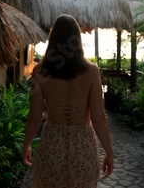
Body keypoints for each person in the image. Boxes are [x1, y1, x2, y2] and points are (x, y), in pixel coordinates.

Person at [22, 14, 114, 188]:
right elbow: (98, 118)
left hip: (52, 142)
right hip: (83, 143)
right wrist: (109, 152)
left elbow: (34, 117)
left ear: (53, 38)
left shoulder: (40, 72)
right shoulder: (92, 72)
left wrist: (26, 145)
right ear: (77, 38)